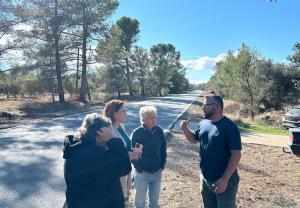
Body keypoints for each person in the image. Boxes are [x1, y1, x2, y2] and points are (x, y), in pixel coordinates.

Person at [180, 94, 242, 208]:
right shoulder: (204, 123)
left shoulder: (230, 127)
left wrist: (224, 179)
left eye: (205, 105)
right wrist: (185, 129)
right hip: (205, 178)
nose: (202, 108)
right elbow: (194, 139)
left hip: (224, 180)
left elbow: (236, 155)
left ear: (217, 107)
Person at [63, 113, 132, 208]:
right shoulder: (95, 155)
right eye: (109, 132)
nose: (111, 134)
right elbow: (125, 166)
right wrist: (112, 140)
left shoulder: (76, 149)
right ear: (100, 133)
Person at [102, 99, 139, 201]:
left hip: (124, 169)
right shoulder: (108, 129)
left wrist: (133, 151)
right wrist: (129, 154)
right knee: (118, 200)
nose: (126, 113)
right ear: (114, 113)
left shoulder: (120, 126)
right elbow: (110, 153)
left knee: (124, 199)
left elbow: (123, 147)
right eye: (123, 111)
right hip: (116, 174)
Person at [131, 106, 167, 208]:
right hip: (142, 174)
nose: (154, 119)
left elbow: (163, 149)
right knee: (140, 204)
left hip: (157, 172)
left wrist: (162, 165)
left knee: (154, 204)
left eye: (155, 116)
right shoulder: (137, 133)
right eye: (151, 117)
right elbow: (134, 155)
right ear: (144, 119)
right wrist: (140, 169)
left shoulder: (159, 131)